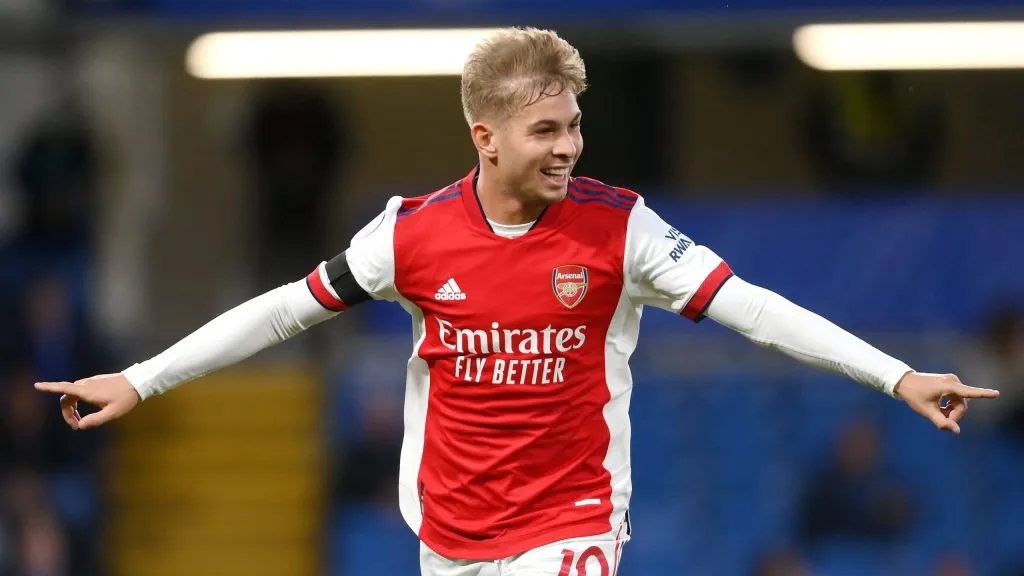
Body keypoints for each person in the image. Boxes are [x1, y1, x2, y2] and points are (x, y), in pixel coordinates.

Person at [34, 27, 999, 576]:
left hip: (573, 518)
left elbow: (753, 308)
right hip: (449, 530)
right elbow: (287, 309)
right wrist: (142, 379)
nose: (569, 146)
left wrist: (896, 375)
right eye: (545, 130)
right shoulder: (410, 235)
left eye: (573, 125)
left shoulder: (621, 230)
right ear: (485, 137)